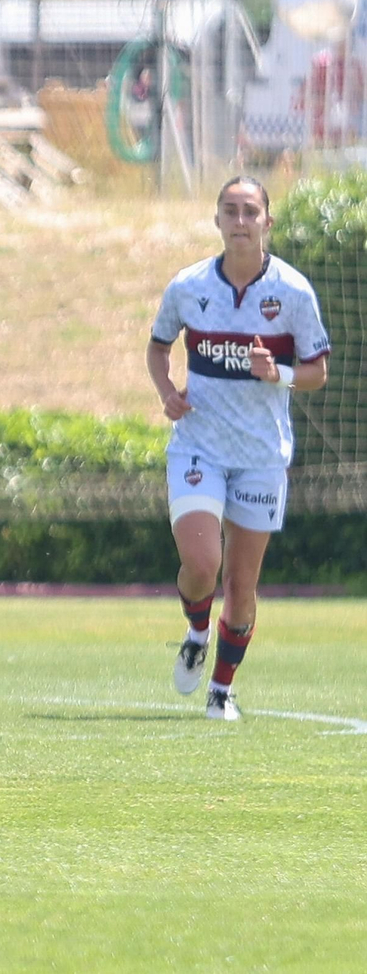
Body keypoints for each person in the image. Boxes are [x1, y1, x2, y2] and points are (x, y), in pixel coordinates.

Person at [148, 176, 331, 720]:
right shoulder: (188, 285)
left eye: (250, 211)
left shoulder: (294, 293)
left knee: (241, 584)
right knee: (202, 564)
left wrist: (277, 373)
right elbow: (158, 348)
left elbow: (318, 371)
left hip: (260, 457)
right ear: (218, 221)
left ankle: (221, 692)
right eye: (230, 210)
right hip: (199, 448)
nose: (240, 220)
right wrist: (167, 393)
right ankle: (197, 631)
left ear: (267, 222)